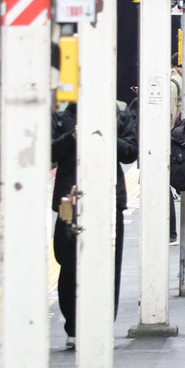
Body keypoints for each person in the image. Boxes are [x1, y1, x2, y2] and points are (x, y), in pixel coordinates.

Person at [51, 101, 139, 350]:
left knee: (109, 263)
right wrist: (73, 137)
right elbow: (48, 152)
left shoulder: (119, 112)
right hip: (70, 201)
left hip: (109, 200)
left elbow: (131, 151)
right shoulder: (62, 114)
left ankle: (102, 322)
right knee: (69, 263)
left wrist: (106, 137)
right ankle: (73, 325)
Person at [169, 54, 183, 245]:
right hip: (179, 142)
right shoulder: (183, 82)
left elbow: (169, 115)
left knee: (163, 187)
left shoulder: (173, 83)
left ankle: (170, 232)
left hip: (171, 142)